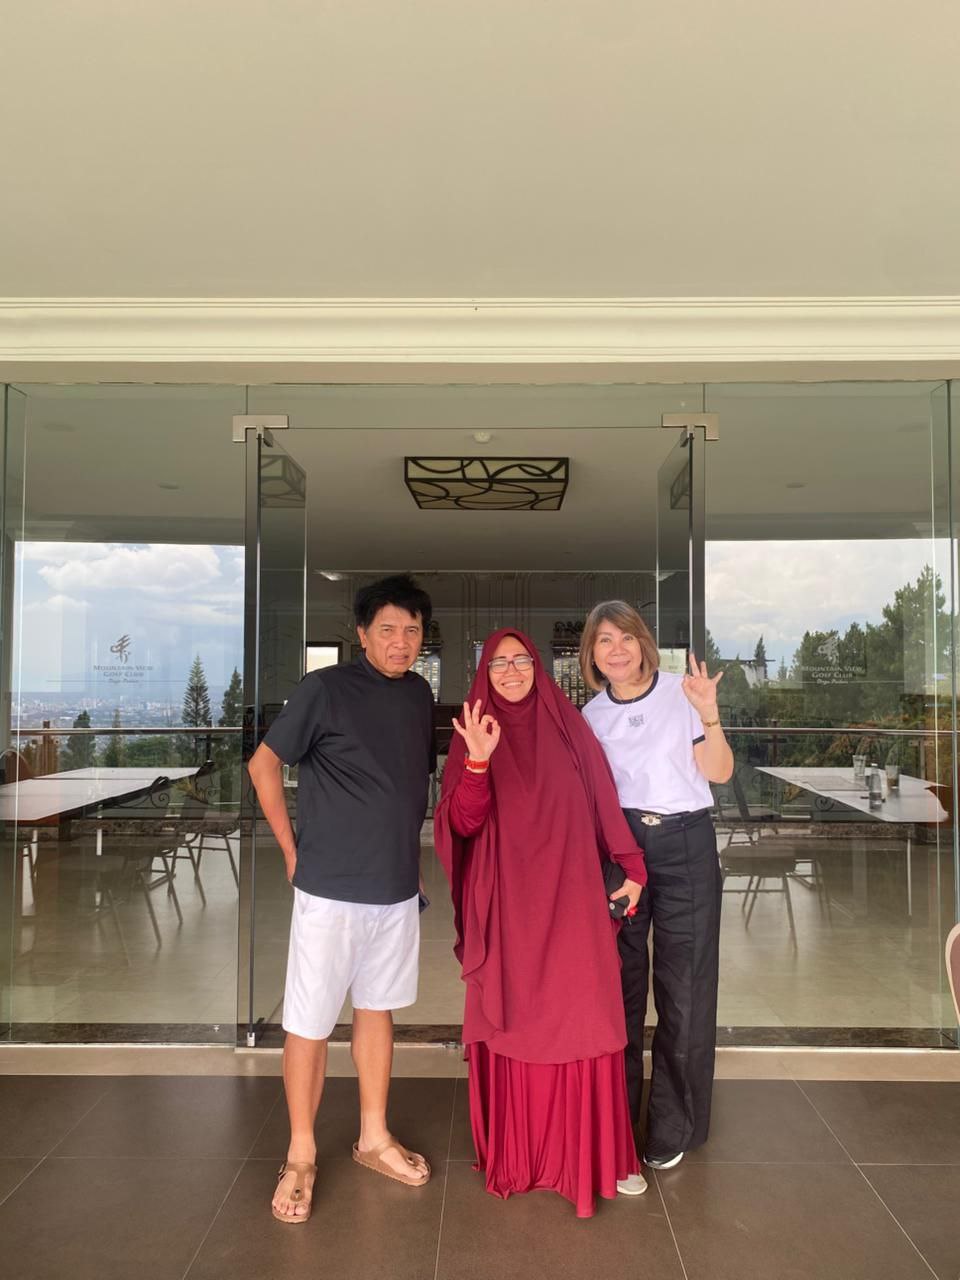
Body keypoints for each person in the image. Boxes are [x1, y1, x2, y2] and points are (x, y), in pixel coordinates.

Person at [434, 627, 649, 1218]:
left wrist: (632, 864)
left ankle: (600, 1157)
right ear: (484, 672)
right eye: (498, 663)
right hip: (507, 902)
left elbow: (604, 799)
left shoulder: (568, 724)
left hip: (573, 895)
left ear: (538, 666)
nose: (511, 671)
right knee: (517, 1017)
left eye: (521, 660)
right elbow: (461, 823)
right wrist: (478, 761)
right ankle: (521, 1155)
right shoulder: (474, 730)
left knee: (585, 1014)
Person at [247, 573, 436, 1224]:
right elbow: (263, 764)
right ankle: (300, 1153)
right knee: (310, 1019)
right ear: (361, 634)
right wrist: (291, 850)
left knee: (378, 1009)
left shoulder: (418, 695)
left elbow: (407, 788)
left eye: (412, 630)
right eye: (387, 629)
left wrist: (412, 866)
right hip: (330, 889)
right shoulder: (323, 689)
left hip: (395, 888)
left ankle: (373, 1137)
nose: (400, 641)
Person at [579, 601, 734, 1171]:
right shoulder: (592, 717)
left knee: (685, 988)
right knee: (619, 987)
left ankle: (674, 1125)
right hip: (621, 852)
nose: (616, 649)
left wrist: (709, 714)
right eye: (604, 640)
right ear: (592, 654)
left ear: (643, 642)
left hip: (685, 843)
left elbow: (719, 772)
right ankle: (616, 1118)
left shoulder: (682, 693)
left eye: (625, 637)